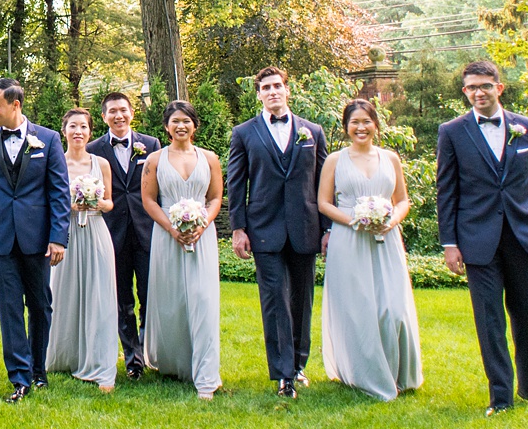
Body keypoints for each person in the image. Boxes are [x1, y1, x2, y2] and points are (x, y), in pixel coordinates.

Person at [436, 59, 528, 415]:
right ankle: (500, 397)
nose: (478, 93)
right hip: (477, 240)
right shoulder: (452, 132)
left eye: (485, 86)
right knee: (489, 320)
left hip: (524, 236)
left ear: (499, 88)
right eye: (471, 87)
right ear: (465, 92)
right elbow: (447, 191)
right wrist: (450, 243)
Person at [0, 77, 71, 403]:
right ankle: (20, 378)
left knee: (40, 305)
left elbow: (59, 193)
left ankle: (39, 370)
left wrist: (58, 238)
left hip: (38, 238)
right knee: (9, 308)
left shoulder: (49, 140)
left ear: (15, 105)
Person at [225, 66, 329, 399]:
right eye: (266, 87)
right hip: (264, 228)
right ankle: (283, 374)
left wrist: (327, 229)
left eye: (277, 86)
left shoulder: (312, 132)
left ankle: (299, 365)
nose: (272, 92)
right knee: (275, 301)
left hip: (305, 227)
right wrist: (238, 228)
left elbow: (324, 183)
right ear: (258, 94)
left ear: (287, 90)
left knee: (301, 300)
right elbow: (237, 183)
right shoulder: (244, 133)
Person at [317, 98, 423, 402]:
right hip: (349, 240)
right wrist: (354, 220)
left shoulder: (390, 158)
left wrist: (390, 221)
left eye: (366, 121)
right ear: (346, 127)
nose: (360, 127)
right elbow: (324, 203)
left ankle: (399, 373)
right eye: (354, 122)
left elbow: (402, 200)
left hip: (386, 240)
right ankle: (363, 373)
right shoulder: (335, 160)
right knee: (358, 308)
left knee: (393, 308)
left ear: (376, 125)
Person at [140, 100, 224, 398]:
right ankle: (176, 363)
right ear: (166, 126)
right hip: (167, 236)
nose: (181, 126)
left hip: (202, 237)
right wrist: (172, 228)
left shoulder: (210, 158)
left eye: (186, 121)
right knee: (172, 301)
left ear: (194, 125)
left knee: (204, 300)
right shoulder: (154, 160)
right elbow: (149, 199)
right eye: (175, 121)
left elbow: (215, 197)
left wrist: (202, 223)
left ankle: (206, 375)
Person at [44, 108, 119, 391]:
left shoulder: (101, 164)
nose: (78, 132)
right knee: (62, 294)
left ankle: (99, 363)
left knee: (98, 296)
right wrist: (72, 206)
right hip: (64, 234)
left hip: (96, 233)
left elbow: (110, 202)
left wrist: (95, 202)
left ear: (90, 132)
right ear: (64, 131)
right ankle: (63, 356)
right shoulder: (55, 161)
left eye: (83, 127)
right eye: (73, 126)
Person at [89, 92, 161, 380]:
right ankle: (132, 359)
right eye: (112, 112)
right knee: (121, 300)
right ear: (104, 116)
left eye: (123, 110)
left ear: (132, 113)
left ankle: (148, 351)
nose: (118, 116)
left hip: (146, 231)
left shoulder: (151, 145)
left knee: (149, 296)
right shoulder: (94, 150)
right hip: (111, 232)